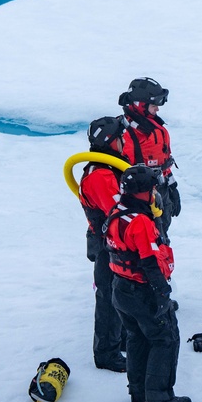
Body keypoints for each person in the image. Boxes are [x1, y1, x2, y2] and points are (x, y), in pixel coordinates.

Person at [104, 165, 191, 402]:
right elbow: (150, 261)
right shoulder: (140, 222)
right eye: (152, 188)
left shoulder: (116, 212)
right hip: (141, 290)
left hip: (120, 289)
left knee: (138, 338)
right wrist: (162, 293)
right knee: (165, 338)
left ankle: (138, 391)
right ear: (144, 192)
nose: (155, 191)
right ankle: (160, 397)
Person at [79, 116, 127, 372]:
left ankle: (121, 340)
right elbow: (119, 211)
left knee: (120, 293)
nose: (124, 141)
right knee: (108, 297)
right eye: (121, 137)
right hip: (107, 245)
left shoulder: (110, 170)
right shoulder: (100, 176)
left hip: (116, 244)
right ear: (110, 141)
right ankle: (106, 353)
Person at [118, 77, 181, 240]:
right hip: (138, 198)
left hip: (160, 190)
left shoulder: (157, 130)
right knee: (145, 242)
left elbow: (164, 162)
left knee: (161, 239)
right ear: (140, 105)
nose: (157, 110)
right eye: (154, 106)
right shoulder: (124, 134)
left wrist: (172, 185)